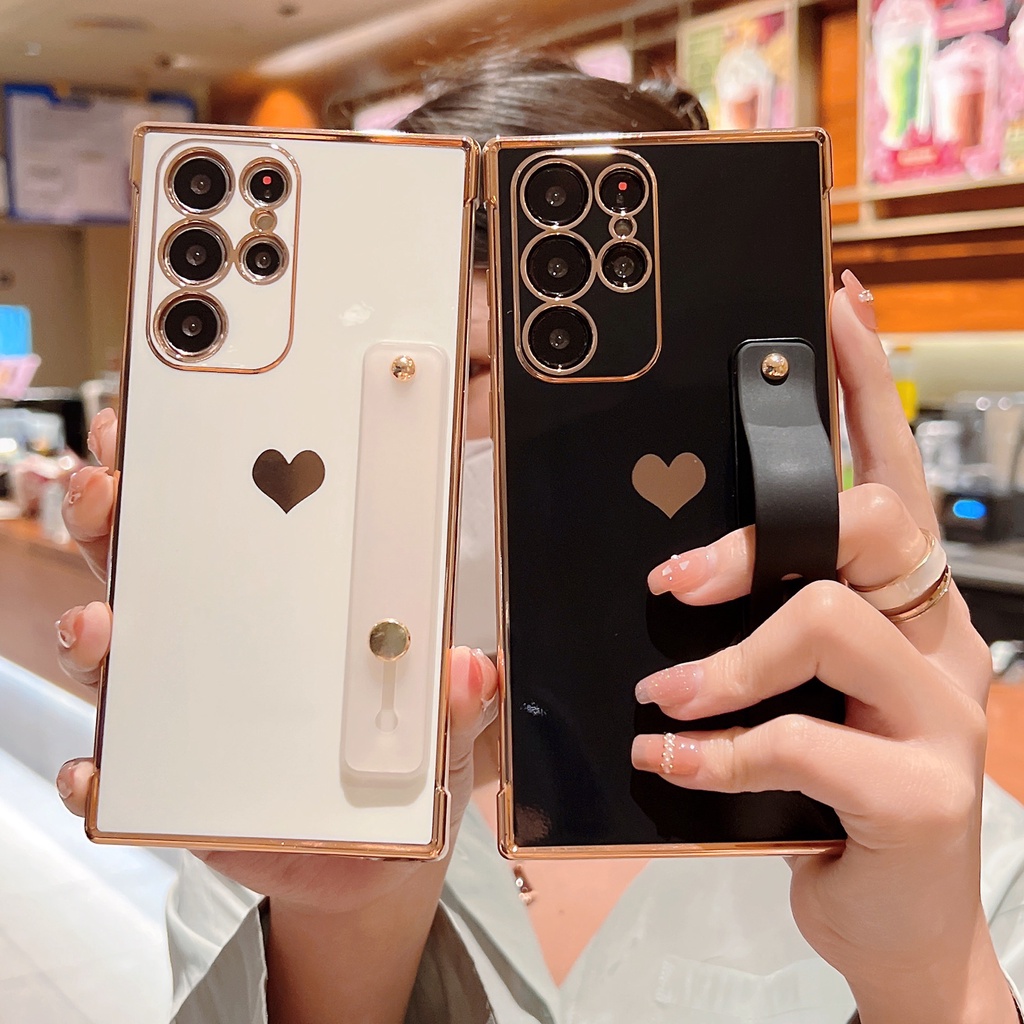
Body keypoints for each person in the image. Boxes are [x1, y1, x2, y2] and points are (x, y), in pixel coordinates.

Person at [53, 56, 1024, 1024]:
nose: (427, 423)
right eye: (394, 377)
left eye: (476, 372)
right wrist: (343, 929)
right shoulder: (274, 788)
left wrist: (931, 973)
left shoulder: (904, 804)